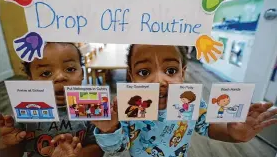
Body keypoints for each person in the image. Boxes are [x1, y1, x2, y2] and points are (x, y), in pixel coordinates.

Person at [92, 44, 277, 157]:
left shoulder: (188, 102)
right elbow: (117, 148)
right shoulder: (129, 106)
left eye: (171, 71)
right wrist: (110, 129)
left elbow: (208, 126)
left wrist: (233, 133)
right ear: (131, 76)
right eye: (144, 72)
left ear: (183, 73)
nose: (159, 81)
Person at [0, 42, 103, 157]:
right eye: (46, 73)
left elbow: (99, 147)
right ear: (31, 80)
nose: (60, 77)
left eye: (70, 69)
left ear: (82, 73)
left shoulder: (90, 105)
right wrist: (5, 144)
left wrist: (79, 154)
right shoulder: (25, 110)